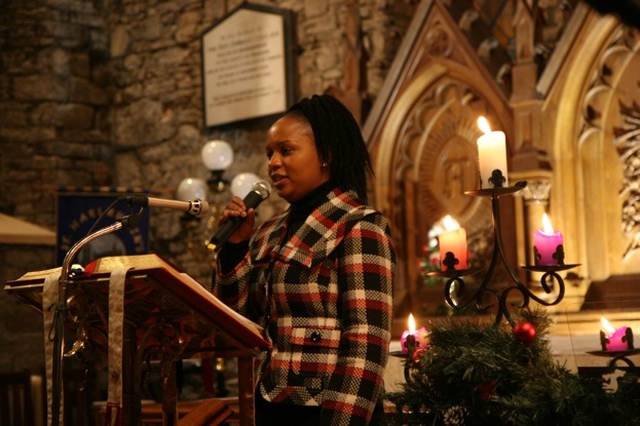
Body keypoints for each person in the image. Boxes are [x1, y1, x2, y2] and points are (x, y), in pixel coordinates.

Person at [212, 94, 396, 426]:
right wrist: (236, 248)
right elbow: (237, 323)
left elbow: (366, 345)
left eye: (286, 150)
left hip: (327, 412)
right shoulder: (268, 231)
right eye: (269, 154)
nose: (272, 163)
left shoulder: (359, 225)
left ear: (326, 155)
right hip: (268, 407)